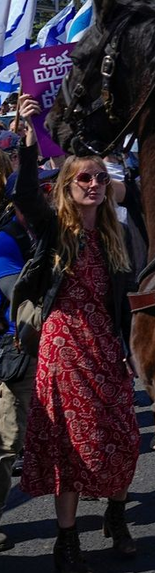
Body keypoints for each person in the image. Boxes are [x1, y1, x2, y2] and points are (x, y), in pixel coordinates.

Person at [14, 94, 139, 573]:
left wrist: (131, 351)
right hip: (63, 346)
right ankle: (66, 543)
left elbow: (125, 301)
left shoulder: (115, 236)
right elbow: (24, 195)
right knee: (72, 445)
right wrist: (29, 133)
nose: (93, 184)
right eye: (83, 178)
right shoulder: (53, 230)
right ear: (66, 188)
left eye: (100, 178)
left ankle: (116, 514)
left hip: (105, 345)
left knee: (125, 437)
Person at [0, 165, 31, 552]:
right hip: (17, 348)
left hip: (57, 345)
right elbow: (17, 295)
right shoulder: (8, 240)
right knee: (7, 440)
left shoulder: (61, 235)